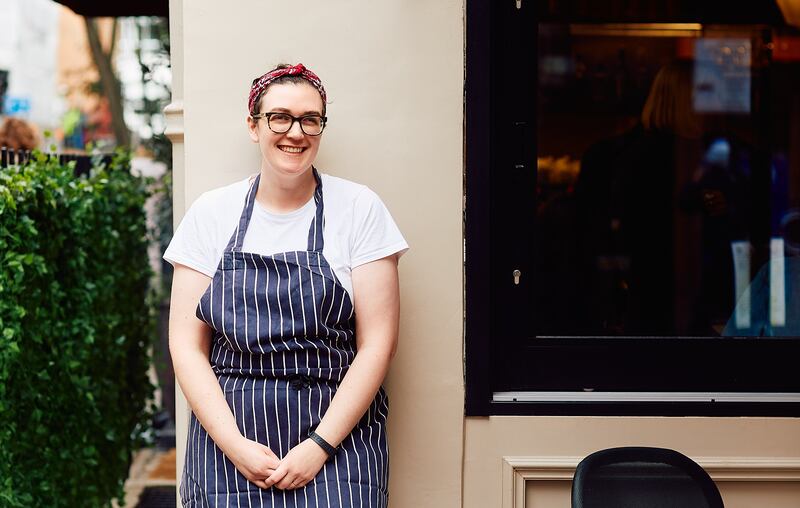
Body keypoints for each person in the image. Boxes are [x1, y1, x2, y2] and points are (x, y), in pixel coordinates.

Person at [164, 63, 408, 507]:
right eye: (280, 116)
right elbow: (185, 345)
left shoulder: (359, 209)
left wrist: (319, 446)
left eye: (310, 119)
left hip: (338, 438)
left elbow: (378, 345)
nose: (295, 132)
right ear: (253, 125)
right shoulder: (211, 212)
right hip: (227, 435)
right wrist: (236, 446)